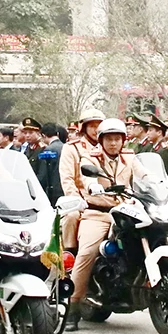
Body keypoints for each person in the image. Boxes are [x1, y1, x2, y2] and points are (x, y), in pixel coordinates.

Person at [64, 118, 148, 331]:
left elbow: (144, 175)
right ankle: (73, 307)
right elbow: (86, 177)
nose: (113, 143)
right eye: (109, 139)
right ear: (100, 141)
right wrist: (93, 187)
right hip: (98, 213)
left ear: (123, 141)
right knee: (87, 252)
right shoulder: (89, 156)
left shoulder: (129, 157)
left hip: (126, 210)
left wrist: (158, 184)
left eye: (117, 139)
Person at [58, 109, 106, 254]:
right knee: (71, 217)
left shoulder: (111, 145)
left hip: (107, 199)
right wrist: (78, 201)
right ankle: (70, 255)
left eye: (99, 125)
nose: (96, 130)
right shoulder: (71, 148)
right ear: (83, 128)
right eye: (92, 126)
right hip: (82, 201)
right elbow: (67, 179)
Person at [35, 123, 65, 206]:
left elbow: (43, 175)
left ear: (43, 136)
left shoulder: (48, 150)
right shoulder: (66, 147)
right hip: (64, 189)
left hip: (52, 193)